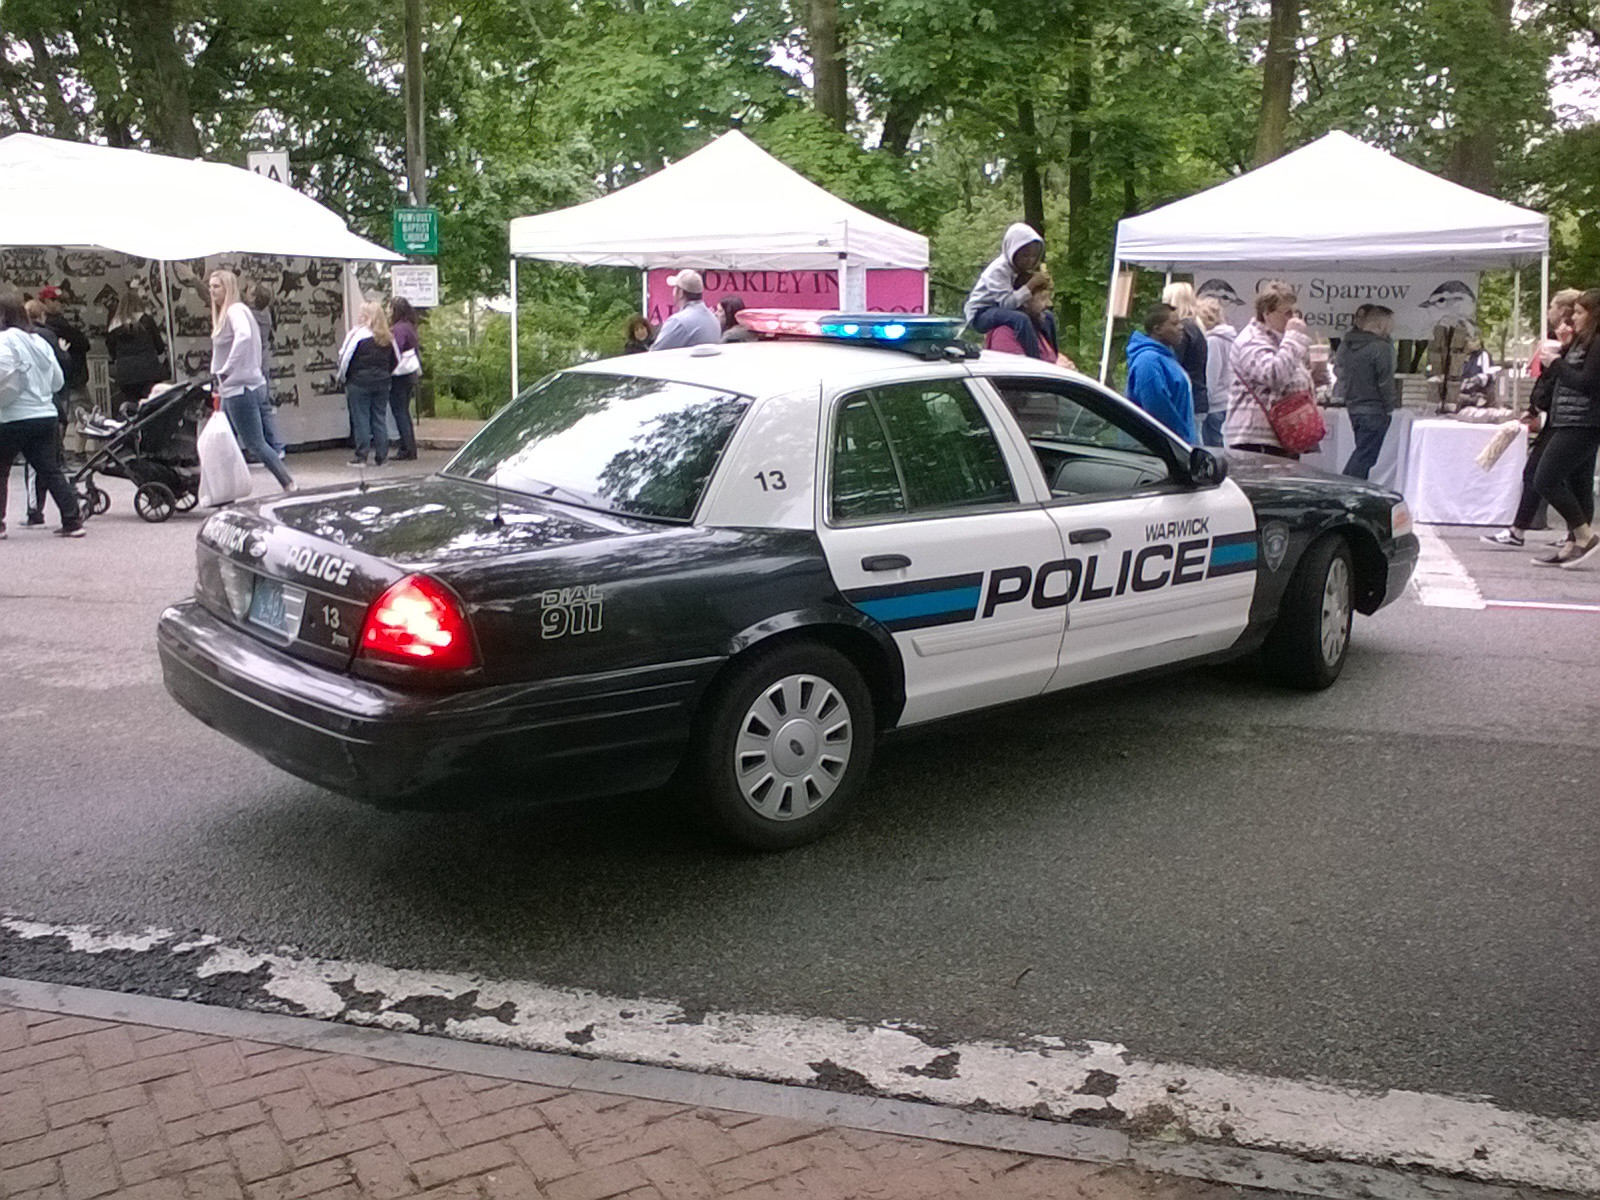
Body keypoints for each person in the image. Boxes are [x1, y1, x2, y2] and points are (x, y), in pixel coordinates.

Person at [1482, 290, 1584, 549]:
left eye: (1551, 306)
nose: (1548, 311)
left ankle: (1528, 531)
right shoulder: (1570, 341)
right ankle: (1577, 536)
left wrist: (1539, 404)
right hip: (1562, 416)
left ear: (1563, 311)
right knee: (1570, 478)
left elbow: (1564, 379)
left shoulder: (1577, 342)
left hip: (1570, 419)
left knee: (1541, 474)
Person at [0, 289, 84, 538]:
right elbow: (57, 381)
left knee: (1, 471)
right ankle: (72, 520)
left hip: (12, 416)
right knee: (50, 469)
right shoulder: (40, 341)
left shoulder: (4, 341)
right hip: (45, 414)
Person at [1528, 288, 1600, 568]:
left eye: (1580, 313)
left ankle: (1585, 535)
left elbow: (1586, 383)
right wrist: (1563, 348)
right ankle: (1572, 544)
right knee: (1578, 483)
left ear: (1593, 315)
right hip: (1570, 418)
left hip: (1584, 422)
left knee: (1544, 478)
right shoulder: (1583, 341)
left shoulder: (1597, 343)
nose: (1574, 318)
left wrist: (1557, 363)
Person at [210, 269, 294, 492]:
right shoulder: (237, 311)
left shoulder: (234, 310)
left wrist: (227, 368)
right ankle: (224, 488)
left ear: (227, 288)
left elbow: (244, 336)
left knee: (254, 443)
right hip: (241, 386)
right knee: (224, 441)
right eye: (210, 286)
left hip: (239, 388)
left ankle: (288, 482)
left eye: (216, 286)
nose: (211, 290)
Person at [1224, 280, 1323, 459]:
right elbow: (1274, 375)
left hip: (1281, 437)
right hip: (1256, 441)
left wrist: (1315, 374)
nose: (1293, 318)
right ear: (1267, 313)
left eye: (1296, 312)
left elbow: (1289, 380)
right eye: (1287, 313)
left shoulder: (1280, 340)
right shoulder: (1251, 340)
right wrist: (1293, 338)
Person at [963, 223, 1049, 359]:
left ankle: (1052, 354)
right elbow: (1007, 303)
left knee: (1047, 317)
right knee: (1021, 319)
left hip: (999, 309)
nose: (1030, 260)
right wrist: (1031, 285)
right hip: (981, 313)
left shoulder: (1018, 270)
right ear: (1013, 251)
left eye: (1034, 256)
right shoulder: (999, 269)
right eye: (1025, 256)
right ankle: (1035, 360)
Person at [1332, 304, 1398, 480]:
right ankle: (1346, 487)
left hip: (1354, 406)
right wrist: (1390, 405)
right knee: (1365, 456)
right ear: (1380, 325)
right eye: (1390, 324)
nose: (1392, 328)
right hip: (1375, 408)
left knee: (1363, 451)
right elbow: (1385, 379)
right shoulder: (1381, 347)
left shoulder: (1347, 345)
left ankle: (1353, 488)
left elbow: (1339, 371)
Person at [337, 299, 398, 466]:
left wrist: (343, 377)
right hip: (382, 383)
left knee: (361, 418)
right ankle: (382, 456)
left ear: (367, 317)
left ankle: (361, 456)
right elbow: (396, 361)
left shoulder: (358, 336)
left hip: (359, 382)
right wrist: (386, 374)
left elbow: (345, 359)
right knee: (379, 417)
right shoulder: (388, 338)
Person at [1124, 302, 1197, 442]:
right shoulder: (1148, 362)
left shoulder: (1165, 357)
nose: (1181, 328)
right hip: (1164, 448)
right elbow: (1158, 414)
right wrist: (1183, 440)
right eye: (1174, 324)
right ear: (1158, 329)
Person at [982, 270, 1073, 366]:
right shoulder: (1004, 334)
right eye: (1042, 298)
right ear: (1024, 300)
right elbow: (1019, 376)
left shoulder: (1036, 328)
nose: (1049, 304)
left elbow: (1046, 358)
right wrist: (1057, 369)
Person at [104, 286, 169, 417]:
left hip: (126, 375)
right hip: (149, 372)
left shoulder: (114, 324)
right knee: (150, 408)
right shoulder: (147, 320)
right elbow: (159, 346)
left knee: (131, 408)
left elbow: (112, 352)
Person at [1162, 282, 1210, 438]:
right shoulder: (1197, 326)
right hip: (1199, 397)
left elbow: (1174, 365)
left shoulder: (1183, 330)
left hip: (1188, 400)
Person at [35, 285, 89, 417]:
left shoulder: (57, 323)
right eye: (56, 300)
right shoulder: (53, 325)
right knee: (81, 418)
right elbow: (83, 343)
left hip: (64, 379)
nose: (61, 304)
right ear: (45, 302)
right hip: (69, 379)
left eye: (62, 301)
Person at [247, 281, 286, 457]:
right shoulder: (265, 314)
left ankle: (275, 447)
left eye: (249, 291)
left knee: (261, 407)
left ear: (254, 298)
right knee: (264, 407)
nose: (245, 292)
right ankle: (276, 447)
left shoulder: (251, 315)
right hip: (262, 363)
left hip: (256, 365)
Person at [387, 297, 421, 460]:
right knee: (405, 411)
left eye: (390, 308)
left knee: (399, 410)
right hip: (410, 374)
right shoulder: (410, 327)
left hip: (400, 375)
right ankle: (410, 447)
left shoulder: (398, 329)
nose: (388, 312)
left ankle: (406, 448)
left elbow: (395, 350)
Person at [650, 271, 720, 350]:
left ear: (680, 292)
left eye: (675, 288)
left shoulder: (678, 322)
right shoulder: (714, 319)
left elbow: (655, 354)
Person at [1197, 297, 1234, 448]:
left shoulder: (1213, 341)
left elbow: (1210, 377)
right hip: (1226, 402)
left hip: (1215, 407)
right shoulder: (1230, 338)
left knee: (1213, 452)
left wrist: (1204, 404)